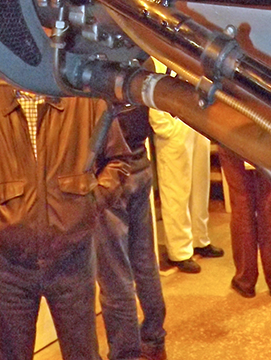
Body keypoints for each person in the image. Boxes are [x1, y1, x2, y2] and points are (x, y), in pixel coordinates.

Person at [0, 83, 131, 360]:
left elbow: (118, 160)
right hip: (7, 267)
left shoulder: (86, 99)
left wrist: (91, 203)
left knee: (82, 354)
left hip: (73, 260)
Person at [95, 104, 167, 360]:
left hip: (110, 173)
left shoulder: (96, 66)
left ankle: (125, 354)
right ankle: (154, 339)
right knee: (144, 261)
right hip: (139, 162)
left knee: (115, 274)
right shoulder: (142, 61)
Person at [149, 99, 223, 273]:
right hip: (173, 119)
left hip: (195, 116)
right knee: (175, 189)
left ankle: (200, 238)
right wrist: (165, 128)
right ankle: (179, 250)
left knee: (200, 185)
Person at [218, 146, 271, 299]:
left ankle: (244, 281)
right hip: (263, 135)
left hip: (227, 134)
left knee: (241, 204)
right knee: (269, 203)